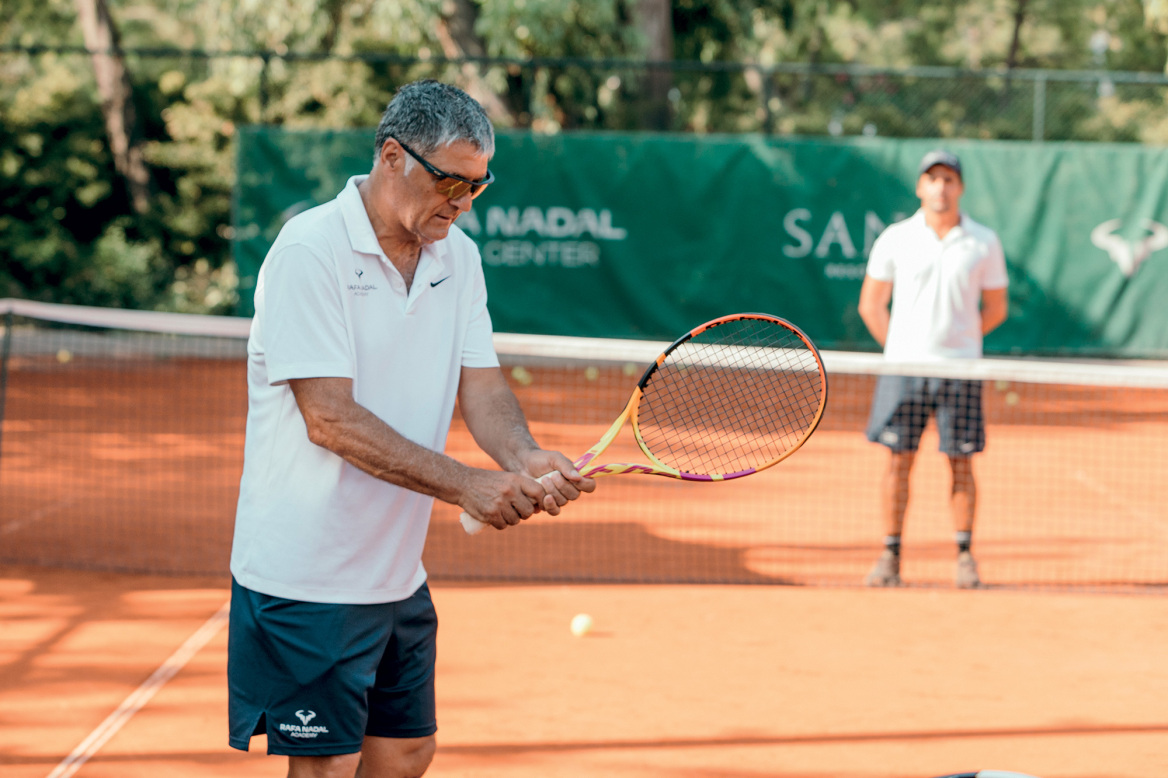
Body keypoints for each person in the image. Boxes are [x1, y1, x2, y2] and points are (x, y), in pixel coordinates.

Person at [227, 79, 594, 777]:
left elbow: (480, 382)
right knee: (326, 766)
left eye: (478, 188)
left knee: (404, 753)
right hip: (307, 574)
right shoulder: (310, 252)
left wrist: (523, 453)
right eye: (450, 182)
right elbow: (329, 418)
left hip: (393, 573)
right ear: (391, 157)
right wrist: (466, 486)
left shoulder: (458, 260)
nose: (461, 203)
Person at [856, 149, 1009, 590]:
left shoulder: (984, 241)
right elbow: (871, 304)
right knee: (897, 463)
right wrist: (902, 350)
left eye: (949, 179)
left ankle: (964, 556)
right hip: (904, 370)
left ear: (960, 187)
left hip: (960, 370)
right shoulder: (895, 238)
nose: (941, 187)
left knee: (961, 464)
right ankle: (890, 555)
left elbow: (996, 307)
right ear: (920, 186)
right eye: (932, 178)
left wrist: (961, 342)